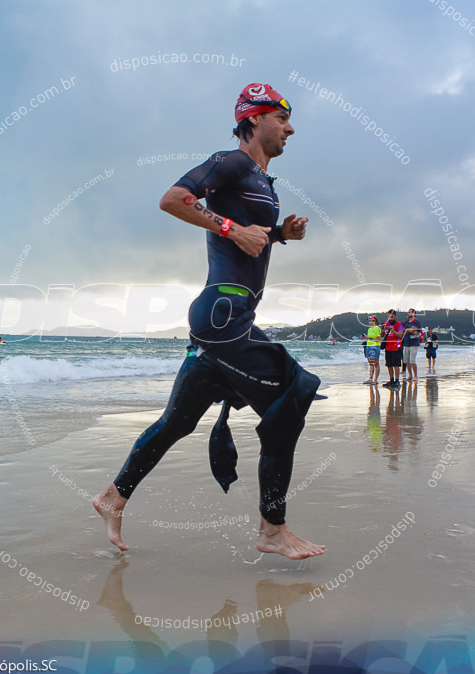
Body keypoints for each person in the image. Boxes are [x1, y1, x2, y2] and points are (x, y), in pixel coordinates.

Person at [92, 83, 325, 560]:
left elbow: (244, 236)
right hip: (224, 316)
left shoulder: (260, 180)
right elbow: (173, 199)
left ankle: (112, 498)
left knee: (176, 423)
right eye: (282, 118)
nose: (290, 127)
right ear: (254, 120)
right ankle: (272, 529)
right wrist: (232, 228)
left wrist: (279, 234)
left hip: (222, 320)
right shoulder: (233, 161)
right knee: (293, 393)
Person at [381, 310, 404, 388]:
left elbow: (400, 335)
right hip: (388, 347)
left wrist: (393, 330)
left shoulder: (399, 324)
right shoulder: (385, 324)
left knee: (396, 365)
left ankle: (397, 381)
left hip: (396, 347)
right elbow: (382, 335)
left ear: (395, 316)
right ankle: (391, 380)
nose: (390, 318)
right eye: (389, 316)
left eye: (392, 316)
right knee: (389, 365)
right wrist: (382, 331)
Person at [401, 308, 421, 382]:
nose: (408, 313)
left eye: (410, 312)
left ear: (414, 313)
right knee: (406, 360)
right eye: (408, 312)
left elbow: (413, 330)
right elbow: (405, 330)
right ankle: (410, 375)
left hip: (414, 343)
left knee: (412, 360)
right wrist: (409, 331)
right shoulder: (406, 322)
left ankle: (415, 375)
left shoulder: (416, 322)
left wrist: (408, 330)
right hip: (406, 342)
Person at [363, 315, 381, 385]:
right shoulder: (369, 329)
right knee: (370, 363)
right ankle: (370, 379)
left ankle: (375, 380)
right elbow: (369, 338)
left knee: (376, 363)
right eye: (369, 320)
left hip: (375, 346)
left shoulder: (377, 328)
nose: (370, 322)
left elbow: (379, 339)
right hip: (368, 346)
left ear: (374, 321)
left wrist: (370, 338)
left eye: (371, 320)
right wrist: (366, 338)